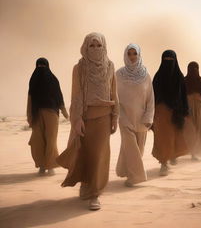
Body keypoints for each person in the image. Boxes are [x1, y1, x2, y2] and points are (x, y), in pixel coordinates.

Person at [57, 32, 119, 211]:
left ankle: (95, 194)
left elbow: (114, 93)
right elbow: (76, 95)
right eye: (91, 45)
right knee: (85, 153)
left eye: (99, 45)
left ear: (104, 46)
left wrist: (115, 116)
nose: (95, 49)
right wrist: (76, 119)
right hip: (85, 117)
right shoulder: (79, 68)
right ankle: (86, 185)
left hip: (104, 118)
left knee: (99, 155)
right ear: (85, 46)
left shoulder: (110, 66)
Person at [116, 44, 154, 187]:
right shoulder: (118, 74)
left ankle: (127, 171)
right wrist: (115, 114)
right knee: (131, 147)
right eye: (129, 53)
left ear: (139, 55)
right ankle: (136, 177)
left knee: (138, 149)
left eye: (134, 54)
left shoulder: (146, 75)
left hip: (142, 118)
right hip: (124, 117)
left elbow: (151, 98)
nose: (132, 56)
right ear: (126, 55)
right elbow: (113, 95)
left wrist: (149, 117)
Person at [27, 57, 68, 176]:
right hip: (37, 113)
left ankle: (50, 166)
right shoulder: (33, 80)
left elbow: (58, 95)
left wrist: (64, 111)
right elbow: (30, 99)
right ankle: (41, 165)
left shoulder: (53, 79)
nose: (41, 68)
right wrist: (29, 115)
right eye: (39, 66)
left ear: (47, 66)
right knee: (37, 141)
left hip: (52, 113)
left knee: (51, 140)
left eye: (43, 65)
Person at [152, 50, 189, 176]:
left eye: (171, 60)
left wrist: (185, 111)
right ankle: (163, 163)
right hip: (161, 112)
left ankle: (172, 155)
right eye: (166, 60)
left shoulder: (179, 76)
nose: (168, 63)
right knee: (163, 138)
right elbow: (152, 96)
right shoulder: (157, 77)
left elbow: (184, 96)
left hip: (176, 112)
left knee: (175, 136)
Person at [184, 61, 201, 161]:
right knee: (187, 129)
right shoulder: (184, 81)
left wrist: (200, 98)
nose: (194, 71)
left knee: (196, 129)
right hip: (186, 108)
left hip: (197, 108)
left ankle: (193, 152)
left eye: (196, 69)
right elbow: (180, 94)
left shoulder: (200, 81)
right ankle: (184, 150)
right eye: (192, 69)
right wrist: (189, 97)